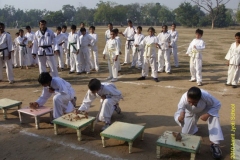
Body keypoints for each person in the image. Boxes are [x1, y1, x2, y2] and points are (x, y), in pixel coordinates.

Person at [174, 87, 223, 159]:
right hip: (190, 112)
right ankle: (194, 127)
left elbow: (217, 104)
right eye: (189, 101)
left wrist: (208, 114)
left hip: (205, 109)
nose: (191, 104)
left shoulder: (205, 96)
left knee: (214, 116)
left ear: (199, 99)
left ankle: (215, 144)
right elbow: (181, 108)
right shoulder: (184, 97)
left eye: (194, 102)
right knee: (186, 133)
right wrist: (180, 116)